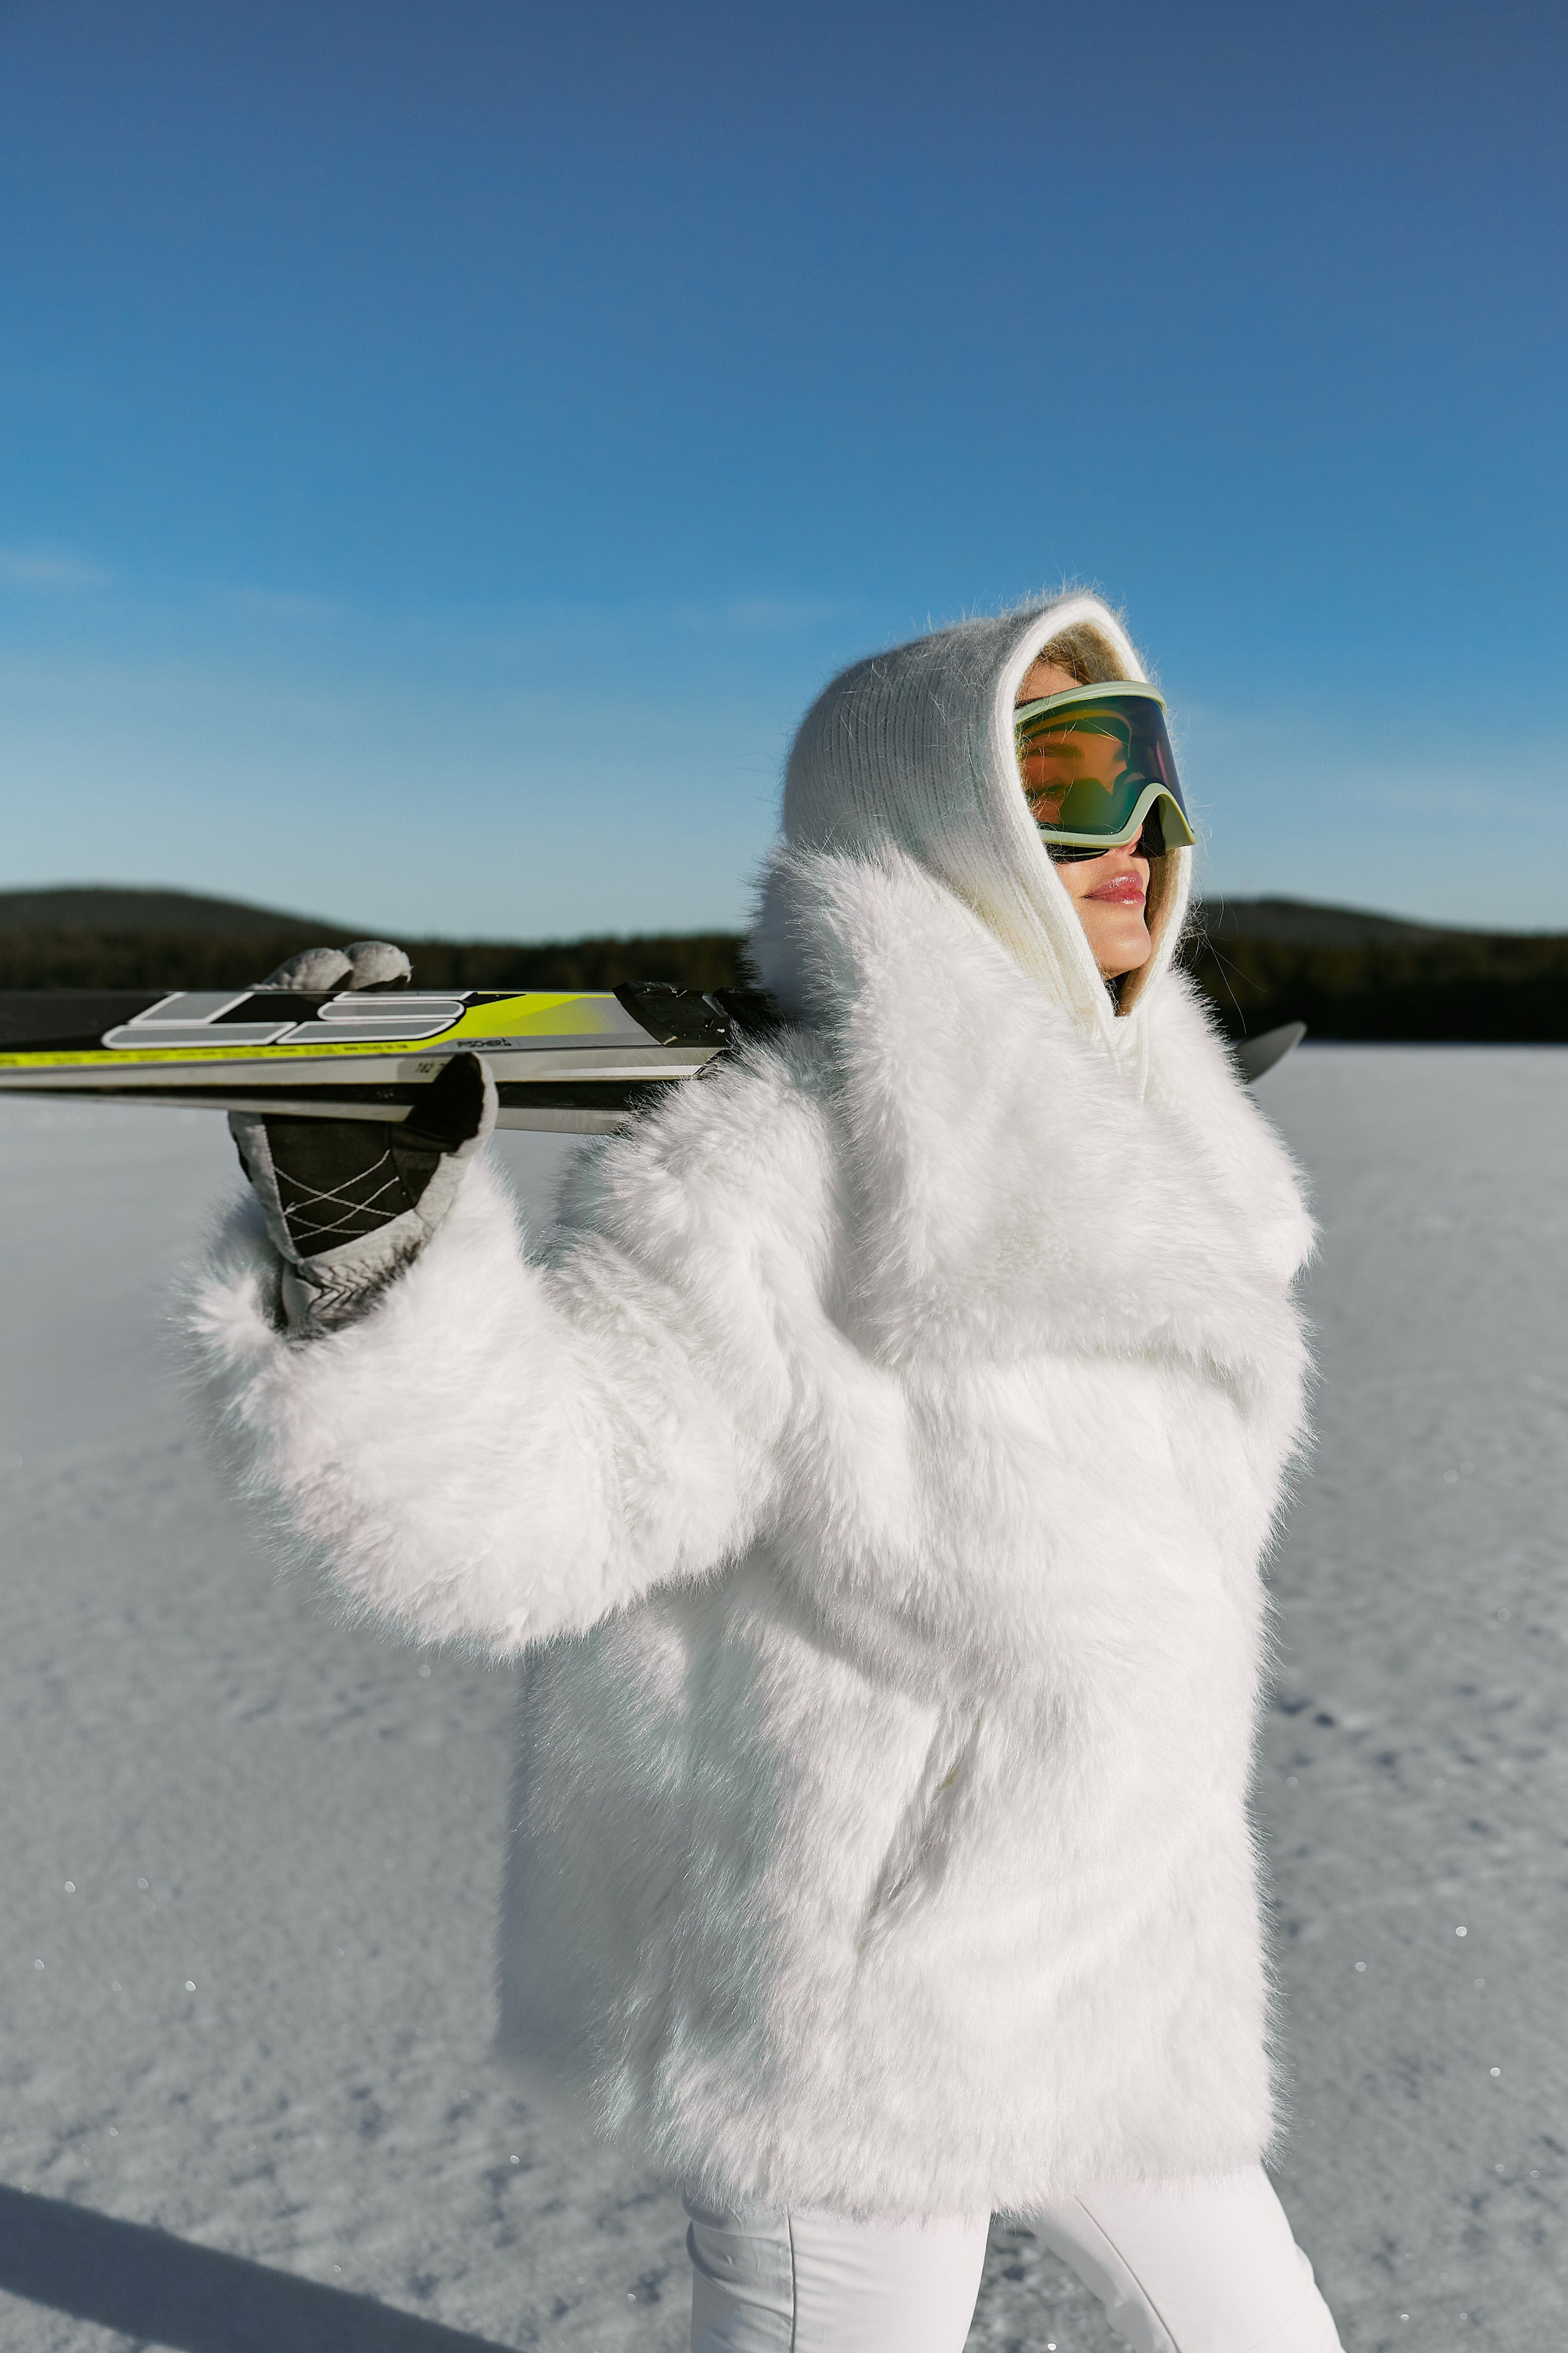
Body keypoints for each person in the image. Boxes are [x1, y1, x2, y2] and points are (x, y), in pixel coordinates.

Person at [191, 593, 1341, 2353]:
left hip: (1119, 1970)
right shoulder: (782, 1161)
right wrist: (371, 1267)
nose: (1144, 834)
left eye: (1159, 777)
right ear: (939, 808)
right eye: (1076, 774)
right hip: (850, 2016)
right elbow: (541, 1513)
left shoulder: (1178, 1156)